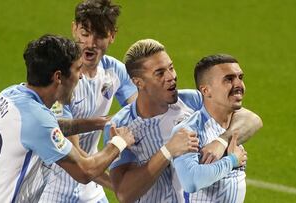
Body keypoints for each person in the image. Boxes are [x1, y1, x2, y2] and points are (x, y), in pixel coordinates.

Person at [0, 34, 135, 203]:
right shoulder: (37, 121)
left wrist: (101, 123)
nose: (81, 76)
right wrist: (118, 143)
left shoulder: (9, 96)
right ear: (58, 77)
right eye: (77, 69)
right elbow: (85, 171)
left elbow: (53, 127)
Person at [104, 39, 263, 202]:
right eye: (160, 73)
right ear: (138, 82)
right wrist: (167, 151)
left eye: (171, 68)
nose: (171, 77)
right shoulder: (121, 126)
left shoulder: (191, 101)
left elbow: (251, 119)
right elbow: (124, 194)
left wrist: (221, 141)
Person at [39, 0, 138, 202]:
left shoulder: (115, 71)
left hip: (91, 187)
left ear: (112, 35)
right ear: (74, 29)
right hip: (54, 189)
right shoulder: (62, 80)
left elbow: (141, 110)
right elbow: (72, 152)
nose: (90, 43)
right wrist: (120, 186)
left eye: (100, 35)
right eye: (85, 33)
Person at [173, 54, 260, 203]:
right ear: (206, 91)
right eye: (229, 79)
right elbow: (191, 181)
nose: (239, 85)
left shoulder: (234, 123)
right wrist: (232, 160)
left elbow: (256, 120)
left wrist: (222, 141)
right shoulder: (189, 131)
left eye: (240, 77)